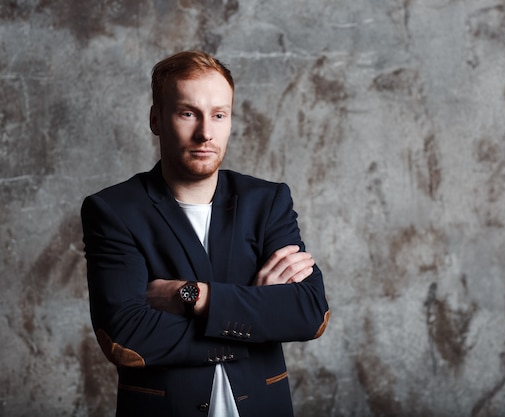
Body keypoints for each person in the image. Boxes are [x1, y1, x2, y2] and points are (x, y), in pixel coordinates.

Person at [81, 50, 330, 417]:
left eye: (218, 115)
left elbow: (310, 312)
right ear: (156, 119)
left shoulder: (268, 201)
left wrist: (192, 296)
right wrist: (254, 315)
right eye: (187, 113)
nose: (205, 133)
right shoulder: (114, 210)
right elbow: (127, 338)